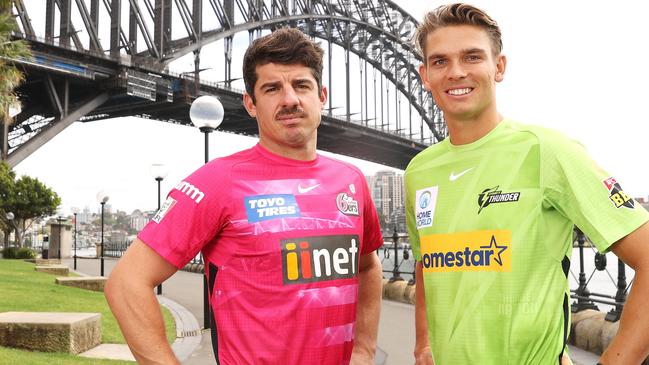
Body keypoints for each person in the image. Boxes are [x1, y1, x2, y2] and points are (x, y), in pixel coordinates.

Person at [105, 28, 383, 365]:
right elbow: (126, 284)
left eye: (301, 85)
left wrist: (364, 350)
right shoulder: (218, 181)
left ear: (321, 96)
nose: (290, 99)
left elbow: (367, 267)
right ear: (250, 103)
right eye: (272, 88)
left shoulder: (351, 181)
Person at [404, 3, 649, 365]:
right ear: (425, 75)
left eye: (472, 57)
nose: (456, 72)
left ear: (498, 66)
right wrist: (424, 343)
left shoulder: (547, 150)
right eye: (440, 61)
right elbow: (427, 263)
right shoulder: (418, 172)